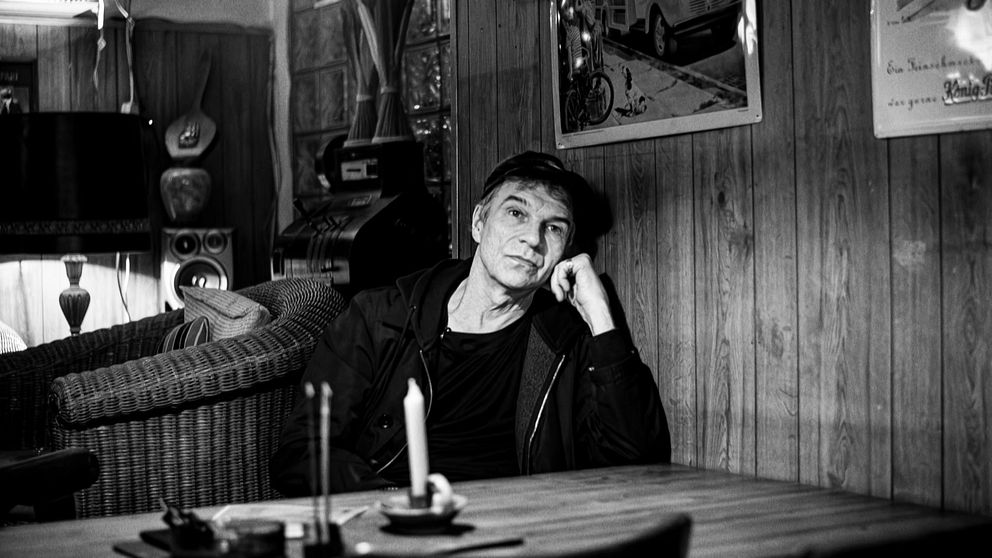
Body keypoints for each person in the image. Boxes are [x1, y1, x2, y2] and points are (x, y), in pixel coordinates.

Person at [270, 151, 671, 496]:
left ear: (565, 250)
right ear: (479, 222)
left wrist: (602, 318)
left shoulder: (567, 337)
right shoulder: (380, 317)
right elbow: (301, 453)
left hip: (516, 529)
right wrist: (397, 501)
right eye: (516, 213)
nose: (533, 239)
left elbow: (638, 463)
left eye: (553, 227)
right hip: (390, 519)